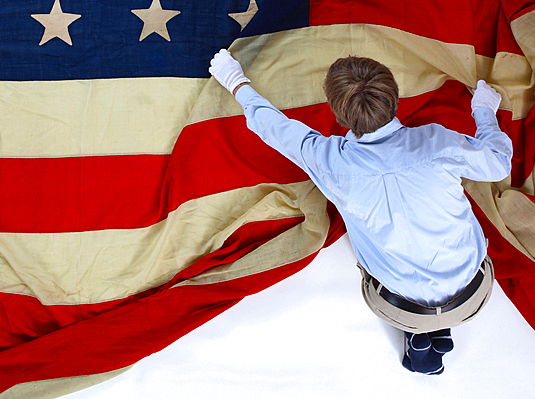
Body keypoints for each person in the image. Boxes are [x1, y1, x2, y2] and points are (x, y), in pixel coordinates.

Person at [208, 50, 513, 375]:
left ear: (339, 116)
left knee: (398, 278)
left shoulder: (330, 161)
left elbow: (275, 128)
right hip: (473, 294)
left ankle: (421, 330)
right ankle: (438, 323)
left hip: (396, 306)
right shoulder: (437, 141)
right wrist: (483, 111)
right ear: (394, 96)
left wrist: (235, 80)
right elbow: (497, 162)